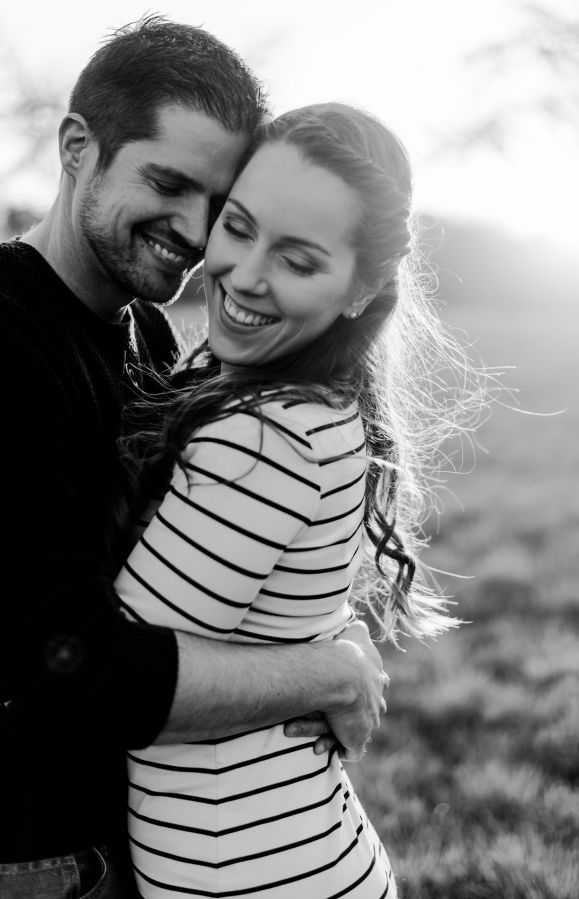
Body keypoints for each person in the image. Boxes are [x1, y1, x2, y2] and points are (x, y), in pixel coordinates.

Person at [0, 20, 388, 899]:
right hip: (37, 862)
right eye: (167, 183)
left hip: (130, 840)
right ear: (77, 148)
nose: (194, 231)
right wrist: (325, 670)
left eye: (217, 203)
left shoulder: (145, 334)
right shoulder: (6, 340)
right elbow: (72, 678)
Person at [112, 102, 479, 898]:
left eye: (298, 261)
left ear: (359, 289)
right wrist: (333, 659)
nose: (246, 274)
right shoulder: (307, 401)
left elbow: (117, 677)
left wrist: (334, 666)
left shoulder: (268, 432)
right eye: (238, 227)